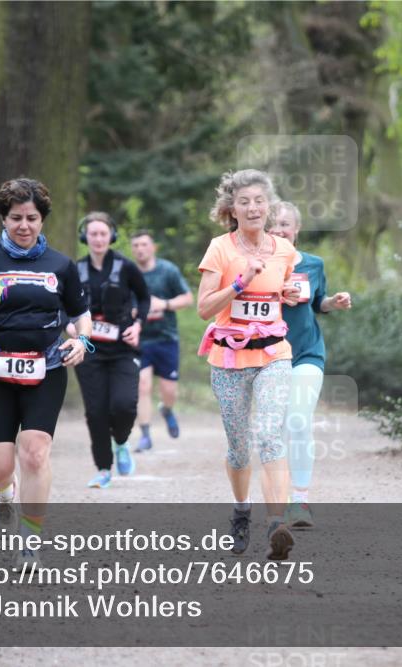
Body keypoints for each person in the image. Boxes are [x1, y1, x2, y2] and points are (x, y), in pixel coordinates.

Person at [0, 177, 92, 565]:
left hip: (47, 367)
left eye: (31, 218)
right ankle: (4, 494)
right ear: (4, 219)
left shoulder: (61, 265)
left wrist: (82, 341)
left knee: (35, 452)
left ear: (42, 220)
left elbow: (82, 316)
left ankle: (30, 541)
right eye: (15, 218)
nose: (23, 225)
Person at [197, 169, 301, 560]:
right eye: (244, 202)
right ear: (231, 209)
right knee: (239, 448)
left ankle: (278, 524)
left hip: (275, 354)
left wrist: (286, 293)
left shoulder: (284, 250)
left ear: (269, 205)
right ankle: (242, 511)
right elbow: (205, 307)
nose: (253, 207)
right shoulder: (220, 249)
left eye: (259, 200)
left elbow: (281, 292)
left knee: (271, 434)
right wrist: (239, 283)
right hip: (228, 359)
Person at [269, 201, 352, 529]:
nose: (278, 229)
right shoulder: (254, 265)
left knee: (299, 420)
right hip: (266, 356)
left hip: (306, 353)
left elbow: (318, 301)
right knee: (271, 431)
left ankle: (299, 501)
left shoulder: (314, 264)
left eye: (285, 224)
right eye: (272, 224)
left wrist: (334, 302)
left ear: (297, 229)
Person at [72, 212, 150, 488]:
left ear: (111, 236)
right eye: (92, 233)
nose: (98, 238)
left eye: (103, 233)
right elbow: (62, 306)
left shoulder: (126, 267)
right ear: (85, 237)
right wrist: (70, 327)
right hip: (88, 351)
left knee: (124, 405)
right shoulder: (75, 270)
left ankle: (121, 441)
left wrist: (138, 324)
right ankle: (104, 469)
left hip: (122, 350)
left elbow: (144, 297)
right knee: (96, 412)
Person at [130, 229, 193, 452]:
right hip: (140, 340)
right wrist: (132, 312)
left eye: (144, 244)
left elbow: (188, 298)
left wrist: (163, 304)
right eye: (136, 245)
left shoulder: (168, 271)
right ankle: (145, 435)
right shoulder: (128, 274)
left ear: (153, 247)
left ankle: (166, 410)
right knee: (142, 385)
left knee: (169, 391)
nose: (140, 249)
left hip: (166, 338)